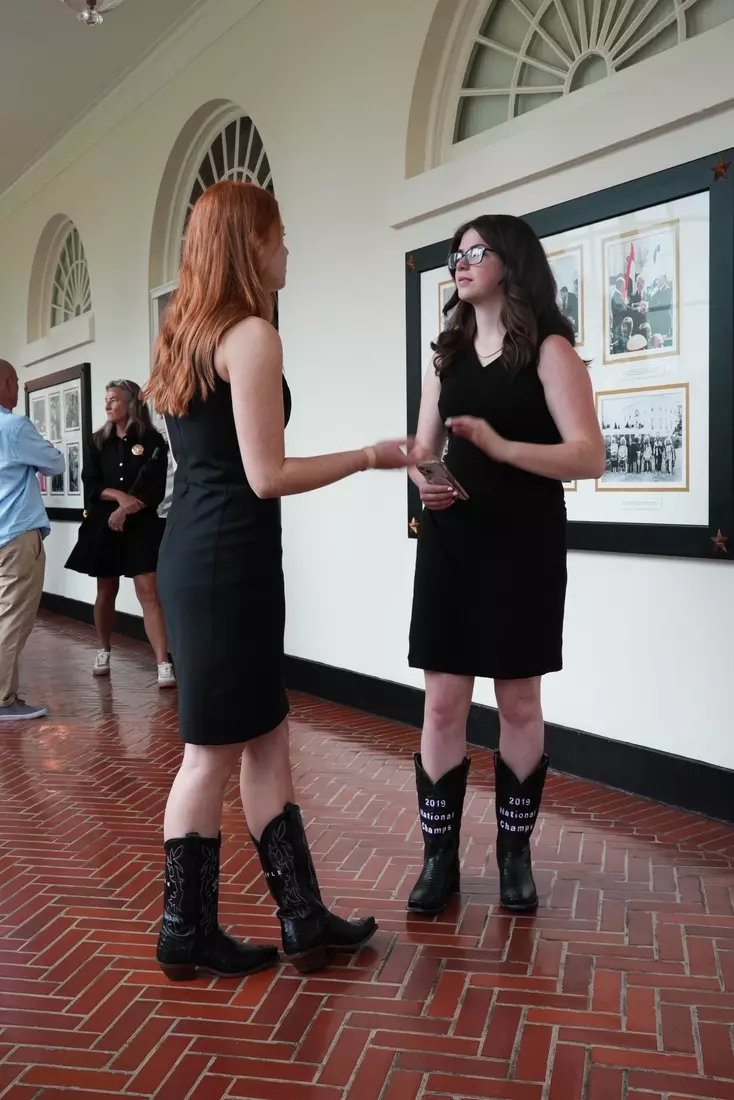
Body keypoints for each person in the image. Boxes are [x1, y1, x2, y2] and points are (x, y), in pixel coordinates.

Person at [144, 180, 413, 981]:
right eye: (279, 233)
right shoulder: (252, 335)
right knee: (207, 755)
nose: (287, 246)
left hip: (208, 553)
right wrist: (369, 456)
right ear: (250, 244)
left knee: (266, 736)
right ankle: (184, 931)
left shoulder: (187, 336)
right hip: (228, 560)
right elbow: (266, 475)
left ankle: (301, 915)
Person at [406, 215, 605, 917]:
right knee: (441, 702)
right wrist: (427, 480)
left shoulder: (550, 351)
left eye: (475, 251)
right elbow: (422, 450)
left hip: (524, 541)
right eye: (455, 254)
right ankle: (438, 860)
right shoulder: (447, 357)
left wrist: (500, 447)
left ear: (511, 262)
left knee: (518, 701)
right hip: (452, 541)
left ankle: (514, 856)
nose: (460, 263)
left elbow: (589, 455)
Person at [65, 380, 175, 687]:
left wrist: (127, 508)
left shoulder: (152, 440)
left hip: (141, 524)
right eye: (106, 399)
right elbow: (92, 485)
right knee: (106, 590)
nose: (107, 405)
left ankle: (163, 662)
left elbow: (154, 488)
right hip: (105, 525)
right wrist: (120, 498)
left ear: (131, 403)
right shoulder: (97, 441)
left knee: (148, 591)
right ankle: (103, 649)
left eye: (113, 399)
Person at [0, 359, 66, 721]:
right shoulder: (13, 426)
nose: (16, 388)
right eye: (15, 381)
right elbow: (55, 463)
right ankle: (2, 699)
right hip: (15, 534)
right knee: (13, 618)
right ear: (5, 383)